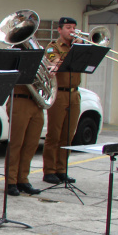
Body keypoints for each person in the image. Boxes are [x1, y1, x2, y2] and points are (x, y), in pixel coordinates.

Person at [42, 16, 82, 185]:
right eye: (68, 27)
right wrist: (75, 51)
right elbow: (56, 64)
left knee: (68, 134)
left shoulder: (79, 47)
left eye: (73, 27)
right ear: (59, 30)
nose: (72, 30)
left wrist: (82, 49)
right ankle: (49, 171)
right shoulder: (53, 47)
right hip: (59, 93)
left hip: (74, 93)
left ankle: (62, 169)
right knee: (54, 134)